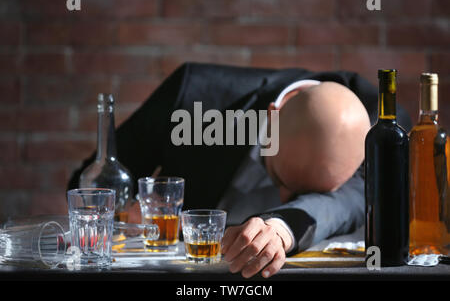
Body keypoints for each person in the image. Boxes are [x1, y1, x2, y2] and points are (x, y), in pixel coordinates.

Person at [68, 63, 411, 278]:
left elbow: (351, 201)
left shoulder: (381, 124)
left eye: (304, 191)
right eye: (280, 177)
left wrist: (280, 226)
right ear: (271, 119)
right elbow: (89, 185)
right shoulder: (193, 97)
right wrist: (125, 214)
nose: (282, 196)